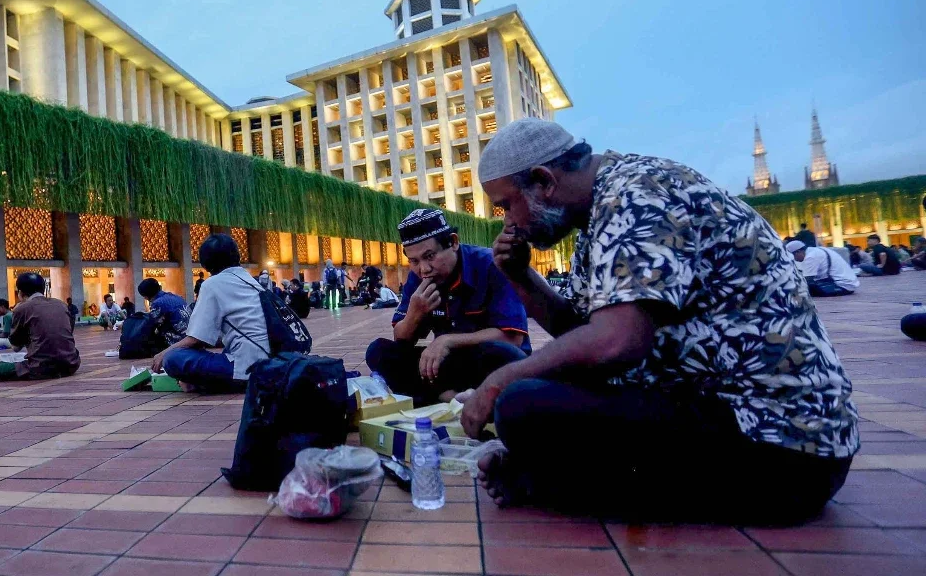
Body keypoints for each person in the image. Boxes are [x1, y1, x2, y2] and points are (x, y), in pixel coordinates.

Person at [469, 119, 858, 524]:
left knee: (520, 402)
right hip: (717, 412)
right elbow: (581, 334)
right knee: (504, 364)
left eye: (506, 204)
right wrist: (520, 276)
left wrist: (503, 382)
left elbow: (617, 343)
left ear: (543, 180)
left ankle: (552, 482)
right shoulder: (598, 217)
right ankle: (556, 478)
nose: (507, 222)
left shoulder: (638, 195)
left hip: (784, 449)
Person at [365, 209, 530, 406]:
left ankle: (437, 397)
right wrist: (414, 315)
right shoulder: (418, 278)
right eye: (414, 261)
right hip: (448, 365)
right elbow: (401, 340)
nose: (424, 269)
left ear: (453, 242)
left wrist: (447, 340)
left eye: (430, 256)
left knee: (504, 354)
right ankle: (453, 398)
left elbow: (513, 339)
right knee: (379, 351)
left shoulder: (491, 265)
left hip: (488, 361)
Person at [152, 233, 271, 393]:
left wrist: (164, 354)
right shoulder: (251, 280)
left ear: (206, 263)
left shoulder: (212, 284)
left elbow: (196, 340)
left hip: (247, 369)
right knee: (224, 350)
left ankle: (204, 383)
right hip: (269, 362)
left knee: (174, 359)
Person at [0, 273, 81, 381]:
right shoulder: (61, 305)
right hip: (72, 364)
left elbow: (16, 347)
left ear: (20, 293)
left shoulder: (22, 309)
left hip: (41, 367)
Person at [787, 239, 859, 297]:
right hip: (848, 283)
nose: (794, 260)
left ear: (798, 252)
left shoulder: (810, 257)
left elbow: (807, 281)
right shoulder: (815, 251)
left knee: (798, 291)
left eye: (792, 257)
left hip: (842, 285)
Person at [137, 278, 190, 345]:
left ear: (147, 296)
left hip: (179, 341)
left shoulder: (158, 303)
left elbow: (151, 322)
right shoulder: (176, 297)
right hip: (190, 336)